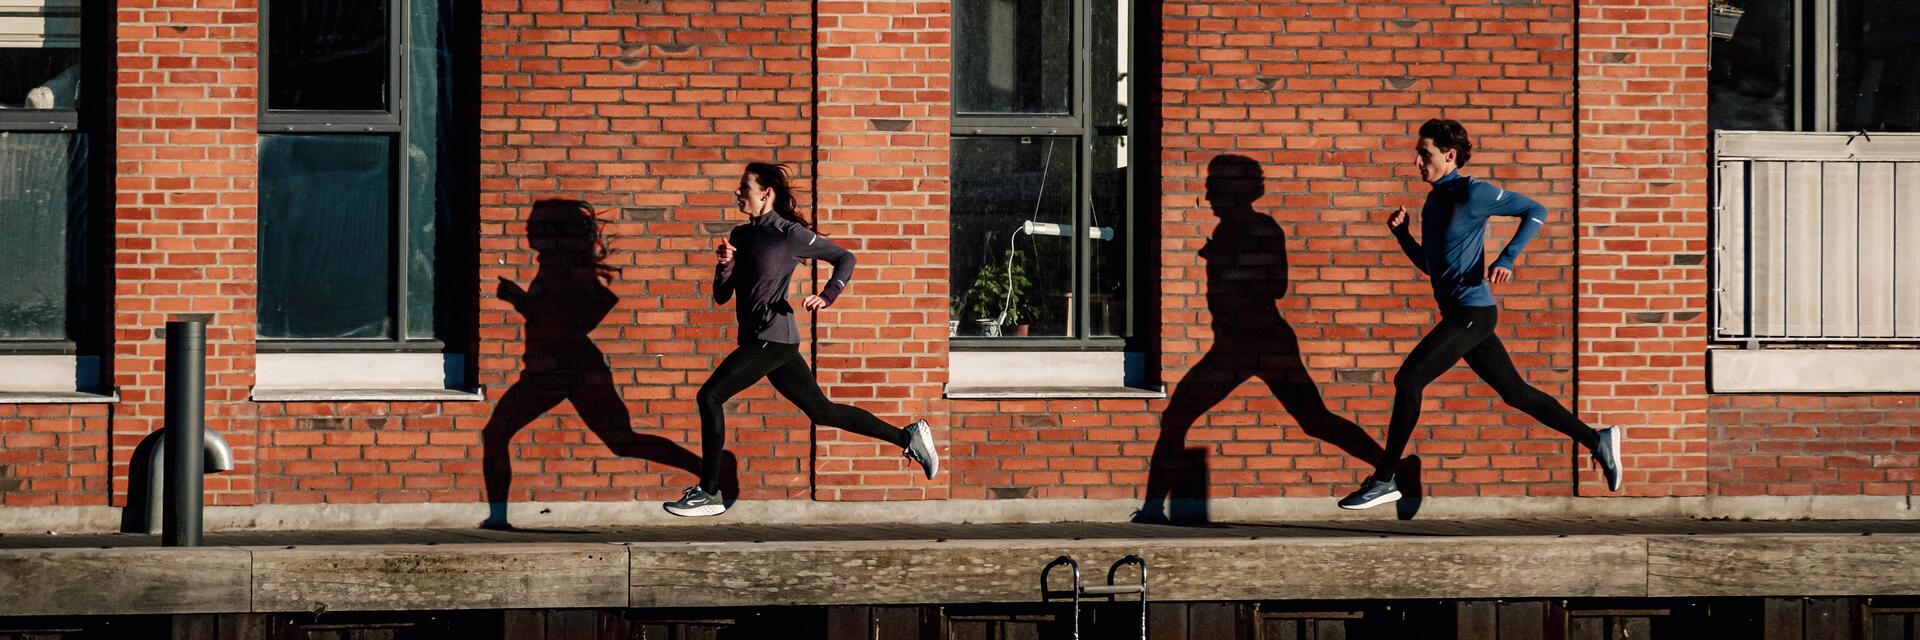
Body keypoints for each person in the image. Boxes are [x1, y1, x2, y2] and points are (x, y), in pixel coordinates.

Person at [1338, 119, 1623, 510]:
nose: (1417, 161)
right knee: (1515, 393)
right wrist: (1402, 236)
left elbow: (1535, 210)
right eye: (1418, 154)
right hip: (1462, 313)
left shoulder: (1474, 193)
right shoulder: (1434, 201)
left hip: (1472, 313)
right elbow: (1431, 267)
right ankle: (1597, 439)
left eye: (1425, 153)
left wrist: (1507, 257)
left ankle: (1386, 478)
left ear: (1449, 156)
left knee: (1409, 379)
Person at [664, 162, 940, 517]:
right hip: (761, 338)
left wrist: (827, 295)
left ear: (766, 193)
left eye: (744, 188)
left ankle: (709, 492)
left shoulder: (789, 234)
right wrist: (724, 265)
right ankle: (909, 437)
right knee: (822, 411)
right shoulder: (740, 235)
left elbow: (845, 258)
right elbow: (721, 296)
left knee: (710, 395)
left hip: (773, 338)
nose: (737, 193)